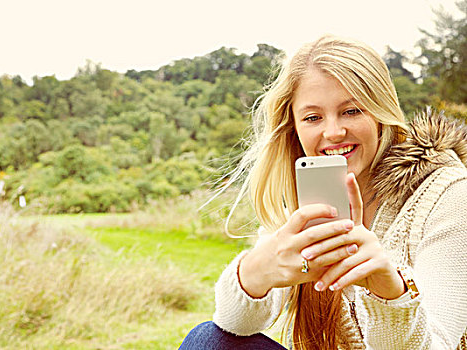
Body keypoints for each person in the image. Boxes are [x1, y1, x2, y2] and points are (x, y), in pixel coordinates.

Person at [179, 35, 467, 349]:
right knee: (207, 338)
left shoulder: (448, 194)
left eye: (352, 111)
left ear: (381, 113)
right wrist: (254, 273)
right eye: (313, 117)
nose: (333, 132)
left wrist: (390, 293)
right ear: (294, 127)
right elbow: (234, 324)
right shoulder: (301, 202)